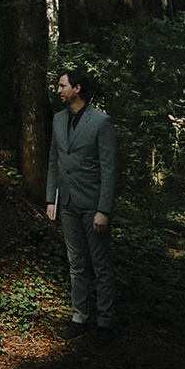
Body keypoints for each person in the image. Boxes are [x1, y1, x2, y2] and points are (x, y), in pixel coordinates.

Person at [46, 67, 116, 348]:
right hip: (67, 205)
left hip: (93, 206)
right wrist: (51, 198)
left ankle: (105, 323)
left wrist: (104, 209)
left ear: (76, 88)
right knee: (76, 264)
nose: (58, 90)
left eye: (62, 86)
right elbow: (53, 160)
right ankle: (79, 318)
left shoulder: (101, 122)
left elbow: (109, 169)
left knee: (100, 264)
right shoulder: (58, 120)